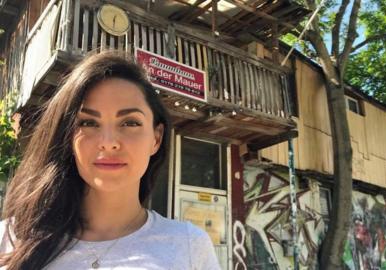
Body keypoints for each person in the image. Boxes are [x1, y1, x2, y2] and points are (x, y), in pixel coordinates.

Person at [0, 50, 221, 270]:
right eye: (88, 123)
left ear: (156, 138)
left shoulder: (189, 246)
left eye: (130, 123)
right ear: (67, 137)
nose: (108, 142)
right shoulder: (10, 240)